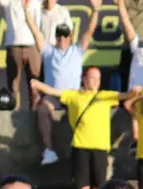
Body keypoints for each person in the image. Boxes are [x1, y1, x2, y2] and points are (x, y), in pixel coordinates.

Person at [31, 69, 134, 189]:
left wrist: (135, 91)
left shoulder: (105, 95)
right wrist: (38, 84)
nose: (94, 81)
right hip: (80, 146)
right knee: (83, 187)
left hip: (100, 148)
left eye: (98, 78)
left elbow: (126, 95)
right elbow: (54, 92)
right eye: (91, 78)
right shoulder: (74, 95)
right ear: (84, 79)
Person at [26, 0, 100, 167]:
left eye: (65, 34)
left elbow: (89, 31)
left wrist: (95, 11)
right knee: (42, 109)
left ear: (71, 36)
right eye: (59, 34)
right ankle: (49, 151)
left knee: (86, 114)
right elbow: (36, 32)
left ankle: (84, 152)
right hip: (53, 96)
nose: (61, 38)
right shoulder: (48, 51)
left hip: (73, 96)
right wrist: (27, 13)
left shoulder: (77, 50)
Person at [0, 0, 41, 111]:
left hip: (33, 45)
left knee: (35, 83)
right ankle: (15, 112)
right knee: (13, 84)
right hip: (13, 45)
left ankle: (35, 112)